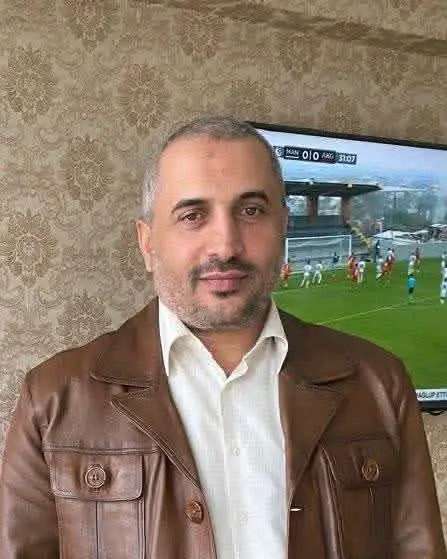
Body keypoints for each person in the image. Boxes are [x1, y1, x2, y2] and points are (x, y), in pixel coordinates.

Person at [1, 116, 445, 559]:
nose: (226, 246)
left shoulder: (379, 385)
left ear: (283, 225)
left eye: (251, 211)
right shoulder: (54, 398)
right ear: (148, 242)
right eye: (193, 216)